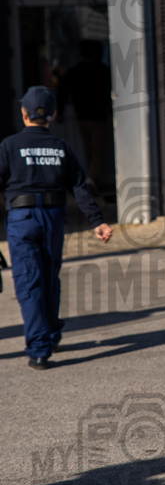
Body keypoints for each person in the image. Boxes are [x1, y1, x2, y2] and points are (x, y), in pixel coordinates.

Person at [0, 86, 112, 369]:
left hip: (22, 219)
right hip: (53, 218)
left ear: (23, 113)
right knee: (49, 277)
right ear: (53, 115)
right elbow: (78, 185)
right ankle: (50, 334)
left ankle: (40, 348)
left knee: (29, 281)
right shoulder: (61, 147)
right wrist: (97, 220)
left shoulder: (9, 146)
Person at [56, 39, 112, 194]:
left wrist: (60, 111)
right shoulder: (103, 71)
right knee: (96, 152)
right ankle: (92, 179)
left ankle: (93, 180)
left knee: (90, 151)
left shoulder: (75, 71)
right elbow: (110, 91)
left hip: (82, 117)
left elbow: (62, 91)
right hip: (97, 117)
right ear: (96, 53)